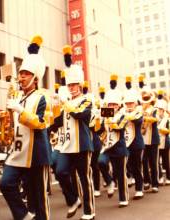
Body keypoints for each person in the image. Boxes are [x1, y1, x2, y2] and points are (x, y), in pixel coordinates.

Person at [0, 35, 51, 220]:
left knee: (38, 200)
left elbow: (41, 123)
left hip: (36, 153)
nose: (20, 77)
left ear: (35, 78)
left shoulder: (43, 97)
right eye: (20, 73)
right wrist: (6, 117)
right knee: (6, 183)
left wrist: (20, 111)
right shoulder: (19, 96)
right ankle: (23, 216)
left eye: (25, 74)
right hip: (18, 151)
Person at [52, 45, 95, 220]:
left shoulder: (86, 100)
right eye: (69, 85)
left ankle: (89, 211)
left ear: (80, 85)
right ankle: (73, 199)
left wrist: (65, 103)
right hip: (67, 145)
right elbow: (57, 123)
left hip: (82, 145)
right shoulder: (65, 102)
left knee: (85, 178)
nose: (72, 88)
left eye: (75, 85)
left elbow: (79, 114)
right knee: (60, 171)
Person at [98, 74, 129, 207]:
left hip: (119, 147)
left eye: (115, 104)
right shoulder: (104, 114)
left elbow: (118, 127)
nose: (112, 106)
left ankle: (123, 198)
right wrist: (98, 120)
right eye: (110, 104)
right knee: (100, 162)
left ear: (119, 105)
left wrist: (108, 119)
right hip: (107, 146)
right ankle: (109, 182)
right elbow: (99, 129)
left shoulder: (123, 115)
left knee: (121, 174)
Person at [123, 76, 145, 199]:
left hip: (136, 143)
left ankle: (139, 189)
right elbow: (106, 113)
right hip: (125, 143)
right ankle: (132, 180)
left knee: (137, 166)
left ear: (135, 103)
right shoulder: (123, 112)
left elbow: (136, 119)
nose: (128, 105)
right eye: (126, 103)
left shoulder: (138, 112)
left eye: (131, 103)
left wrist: (123, 115)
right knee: (129, 165)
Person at [140, 88, 160, 192]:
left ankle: (155, 184)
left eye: (147, 98)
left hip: (153, 139)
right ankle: (147, 181)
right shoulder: (140, 110)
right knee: (143, 161)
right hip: (143, 139)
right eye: (144, 98)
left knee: (153, 162)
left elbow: (157, 119)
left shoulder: (154, 109)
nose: (145, 100)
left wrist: (146, 118)